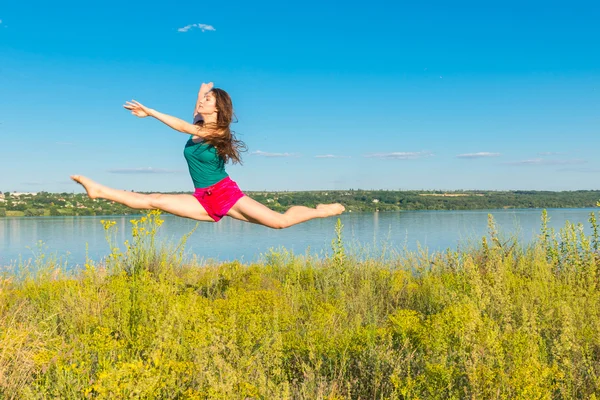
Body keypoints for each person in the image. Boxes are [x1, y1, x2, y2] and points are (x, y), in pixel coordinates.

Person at [71, 83, 345, 228]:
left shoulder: (219, 131)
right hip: (203, 197)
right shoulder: (201, 126)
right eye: (202, 101)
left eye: (208, 101)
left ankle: (319, 212)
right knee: (153, 201)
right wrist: (202, 91)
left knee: (280, 222)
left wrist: (151, 112)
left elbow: (183, 125)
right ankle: (99, 191)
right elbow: (193, 118)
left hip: (225, 193)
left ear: (218, 108)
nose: (202, 104)